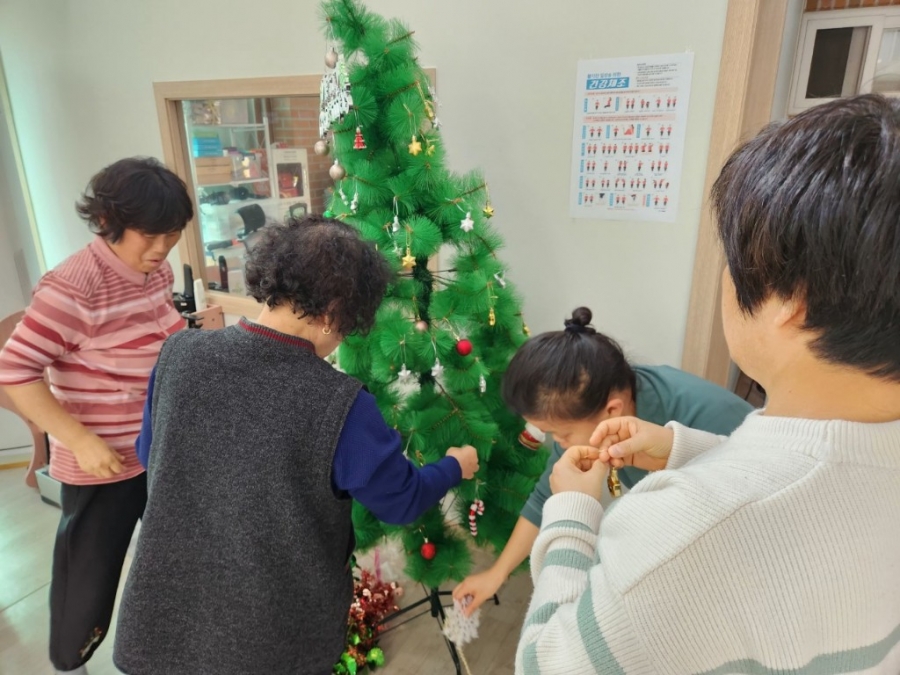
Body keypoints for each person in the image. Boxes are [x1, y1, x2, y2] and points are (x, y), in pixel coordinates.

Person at [516, 94, 900, 674]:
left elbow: (546, 664)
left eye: (733, 257)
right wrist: (686, 450)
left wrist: (572, 512)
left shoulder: (684, 532)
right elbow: (811, 484)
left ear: (790, 298)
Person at [113, 216, 480, 675]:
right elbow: (400, 500)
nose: (342, 339)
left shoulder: (180, 354)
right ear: (333, 312)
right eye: (348, 326)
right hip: (268, 634)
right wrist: (455, 465)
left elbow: (150, 455)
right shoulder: (341, 404)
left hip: (163, 617)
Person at [0, 157, 193, 675]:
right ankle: (71, 664)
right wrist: (79, 439)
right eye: (149, 236)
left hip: (159, 448)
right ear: (108, 221)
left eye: (172, 235)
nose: (161, 249)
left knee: (170, 560)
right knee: (88, 580)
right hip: (102, 465)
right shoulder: (72, 289)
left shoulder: (156, 271)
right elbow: (13, 371)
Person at [453, 307, 752, 615]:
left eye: (561, 434)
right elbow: (544, 497)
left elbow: (742, 514)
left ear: (612, 410)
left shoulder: (710, 420)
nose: (558, 443)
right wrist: (497, 573)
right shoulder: (583, 409)